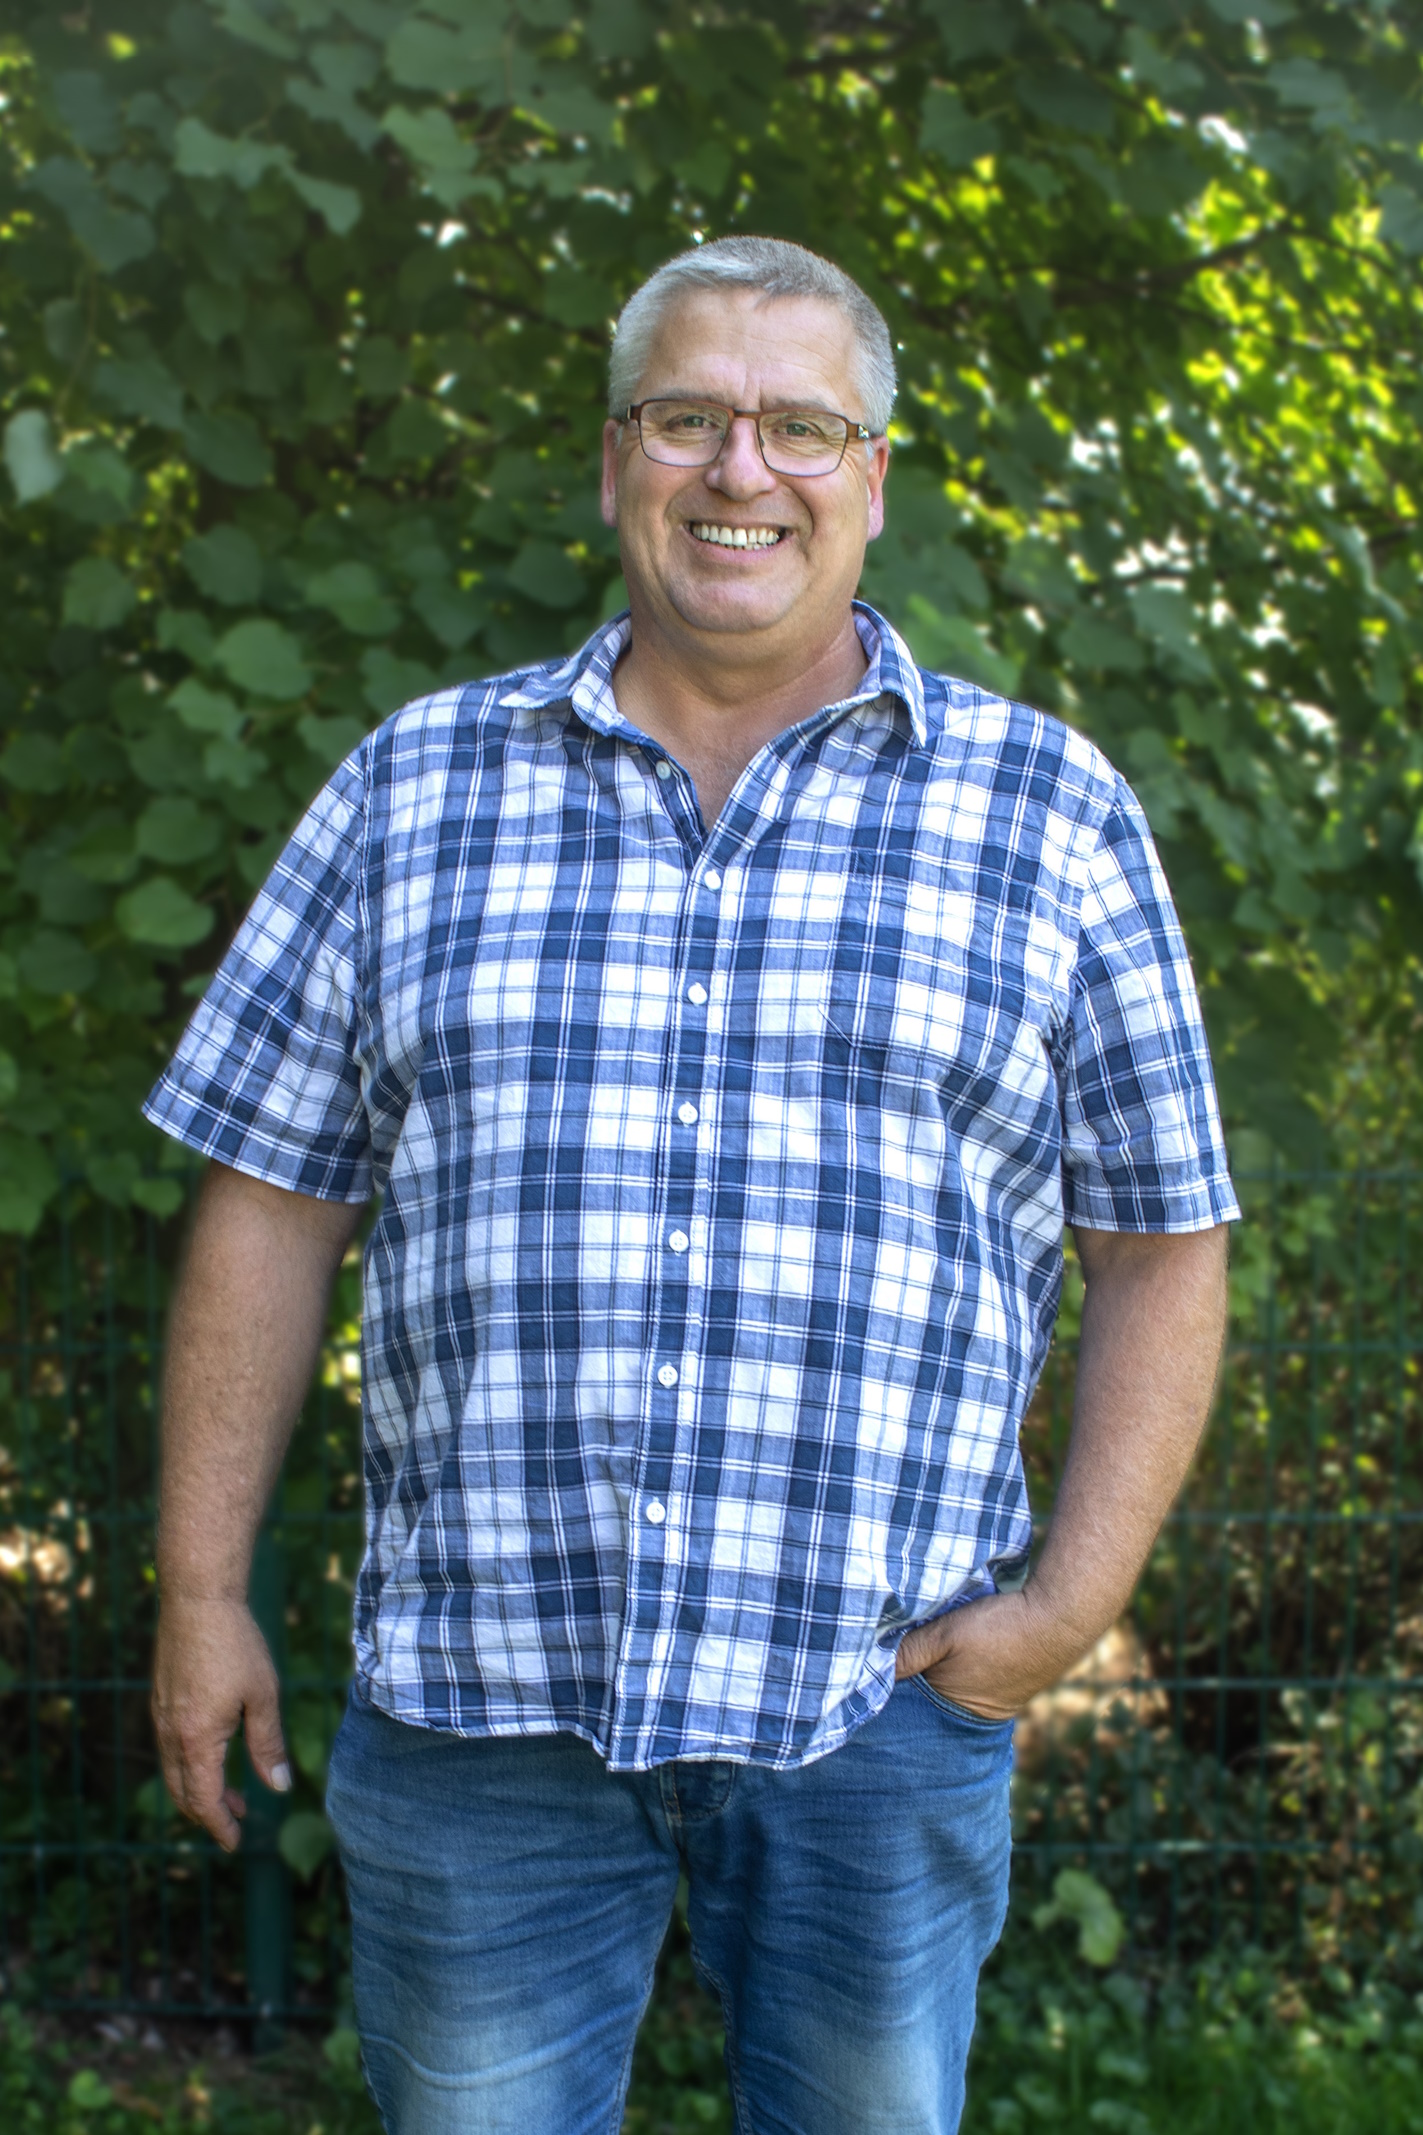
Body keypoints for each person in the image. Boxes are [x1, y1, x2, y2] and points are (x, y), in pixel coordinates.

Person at [145, 236, 1237, 2135]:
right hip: (480, 1704)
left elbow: (1163, 1246)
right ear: (613, 462)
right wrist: (197, 1589)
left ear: (871, 478)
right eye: (686, 418)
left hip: (879, 1704)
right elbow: (269, 1207)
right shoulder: (414, 790)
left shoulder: (1051, 816)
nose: (743, 469)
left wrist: (1070, 1605)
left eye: (801, 426)